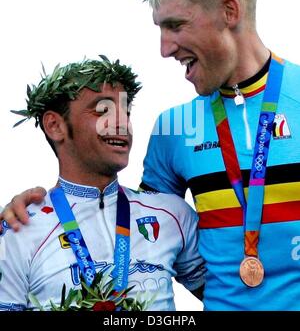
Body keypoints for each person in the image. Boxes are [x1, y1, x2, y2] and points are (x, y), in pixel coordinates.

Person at [2, 0, 300, 310]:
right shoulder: (173, 128)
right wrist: (28, 218)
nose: (164, 48)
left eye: (175, 25)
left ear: (229, 11)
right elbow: (137, 228)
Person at [0, 56, 205, 311]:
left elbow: (235, 299)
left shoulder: (172, 215)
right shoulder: (17, 230)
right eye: (103, 110)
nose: (122, 123)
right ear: (55, 125)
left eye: (126, 110)